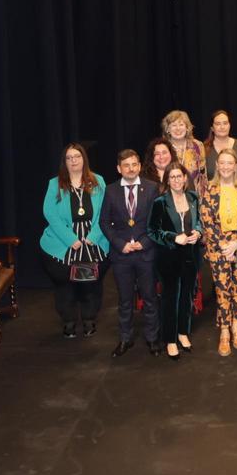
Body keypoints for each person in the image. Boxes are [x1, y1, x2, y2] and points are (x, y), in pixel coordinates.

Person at [39, 143, 109, 339]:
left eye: (77, 156)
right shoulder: (55, 184)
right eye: (69, 158)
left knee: (88, 285)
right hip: (64, 244)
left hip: (90, 243)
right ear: (64, 162)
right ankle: (68, 321)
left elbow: (105, 211)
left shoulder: (98, 181)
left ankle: (88, 319)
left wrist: (93, 237)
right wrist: (71, 239)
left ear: (83, 159)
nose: (73, 161)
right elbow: (50, 213)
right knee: (66, 285)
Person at [99, 148, 161, 358]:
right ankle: (125, 338)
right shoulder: (111, 190)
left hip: (145, 253)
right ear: (119, 169)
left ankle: (152, 338)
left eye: (134, 164)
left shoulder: (152, 188)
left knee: (150, 298)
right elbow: (104, 222)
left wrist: (144, 242)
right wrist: (120, 244)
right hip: (122, 255)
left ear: (140, 166)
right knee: (125, 300)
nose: (131, 168)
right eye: (126, 165)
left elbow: (157, 219)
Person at [199, 148, 237, 356]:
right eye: (221, 163)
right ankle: (224, 331)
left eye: (229, 163)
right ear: (217, 166)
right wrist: (224, 245)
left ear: (236, 166)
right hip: (218, 248)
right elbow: (207, 221)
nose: (225, 167)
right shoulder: (209, 189)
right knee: (223, 290)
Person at [147, 163, 202, 360]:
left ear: (185, 178)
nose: (177, 180)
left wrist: (198, 232)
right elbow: (152, 231)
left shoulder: (194, 198)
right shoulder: (160, 202)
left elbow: (199, 222)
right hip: (168, 257)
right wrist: (172, 237)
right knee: (170, 297)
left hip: (190, 256)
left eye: (180, 176)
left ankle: (183, 333)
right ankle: (170, 339)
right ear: (167, 181)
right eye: (173, 177)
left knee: (187, 295)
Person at [162, 109, 205, 193]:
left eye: (181, 125)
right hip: (169, 195)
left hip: (195, 196)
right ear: (167, 129)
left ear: (187, 128)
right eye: (174, 125)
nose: (178, 129)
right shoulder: (163, 148)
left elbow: (203, 175)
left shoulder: (198, 145)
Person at [204, 110, 237, 181]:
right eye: (218, 124)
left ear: (229, 125)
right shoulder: (203, 148)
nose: (222, 127)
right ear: (212, 128)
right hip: (211, 190)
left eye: (225, 123)